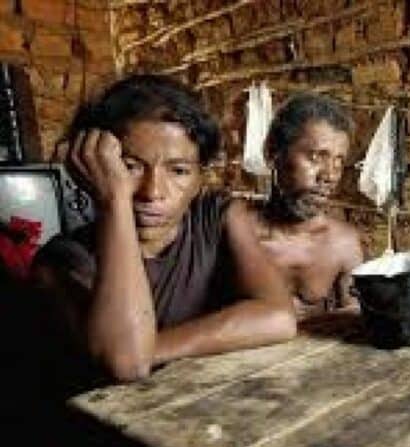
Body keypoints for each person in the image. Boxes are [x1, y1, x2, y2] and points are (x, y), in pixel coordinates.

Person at [32, 74, 297, 386]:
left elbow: (279, 317)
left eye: (179, 171)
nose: (152, 192)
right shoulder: (61, 262)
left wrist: (150, 349)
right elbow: (127, 364)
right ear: (94, 169)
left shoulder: (217, 218)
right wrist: (114, 201)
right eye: (129, 166)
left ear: (200, 178)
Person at [250, 93, 364, 320]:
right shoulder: (236, 234)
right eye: (316, 157)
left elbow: (356, 318)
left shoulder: (343, 243)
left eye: (338, 162)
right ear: (273, 154)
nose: (329, 176)